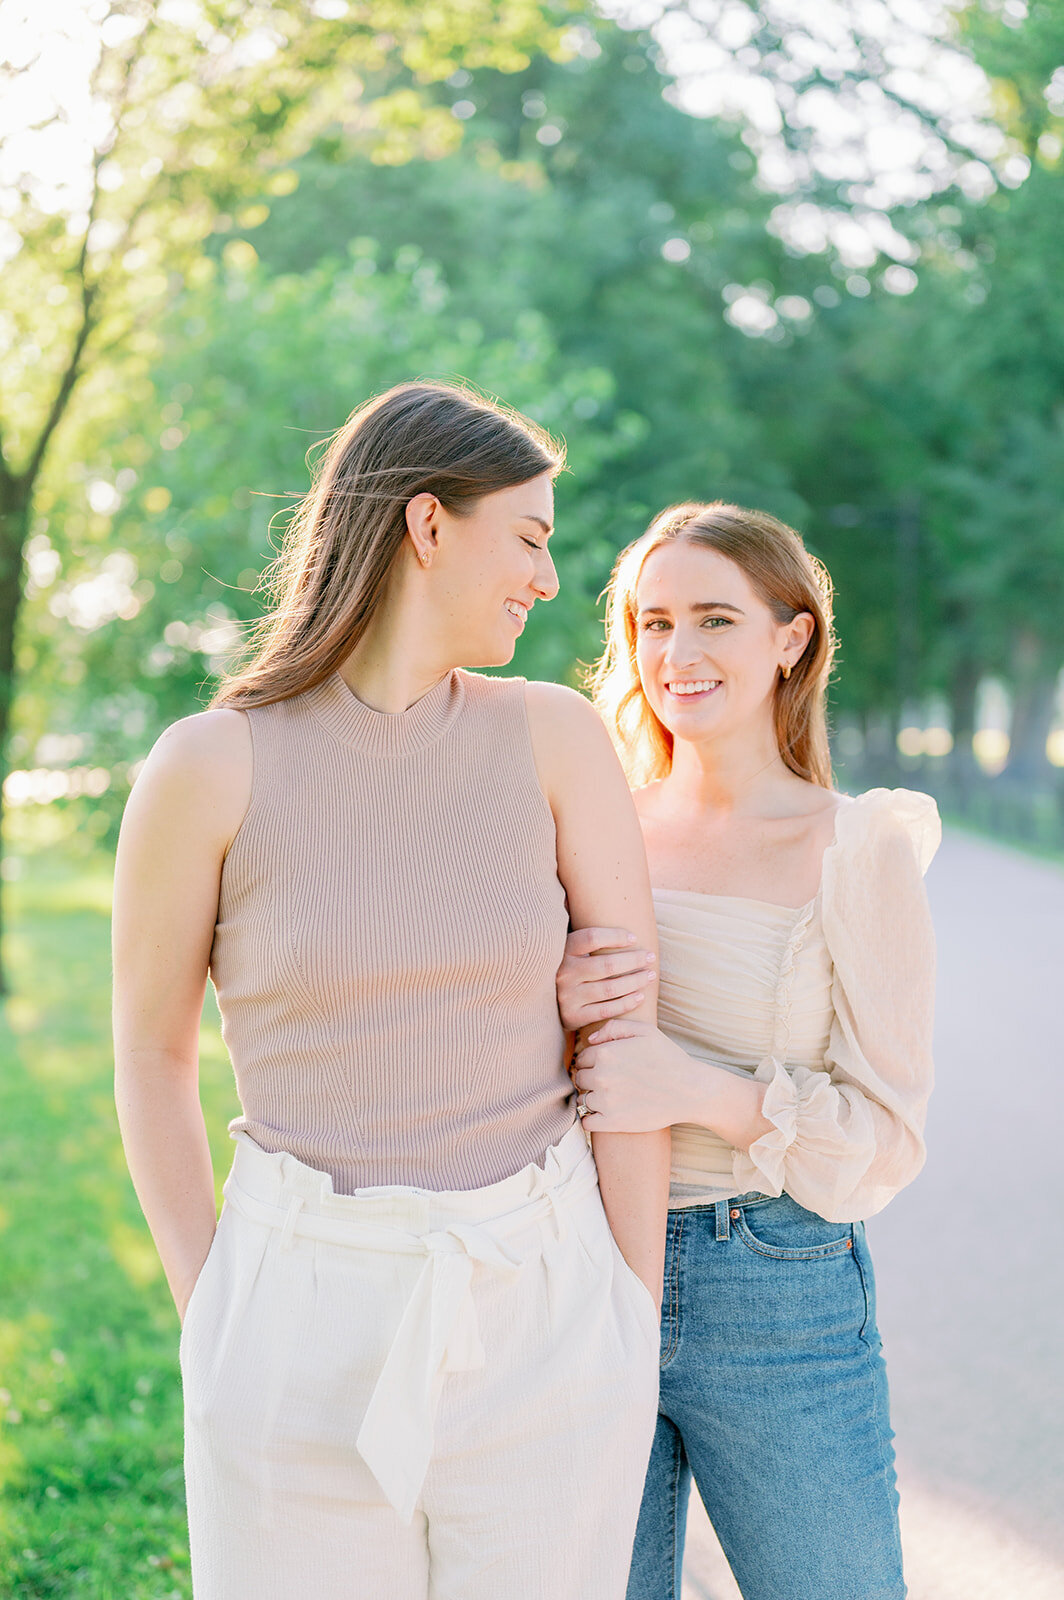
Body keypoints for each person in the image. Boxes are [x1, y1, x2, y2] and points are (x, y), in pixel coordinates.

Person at [111, 381, 668, 1600]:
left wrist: (629, 1311)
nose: (546, 578)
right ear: (427, 525)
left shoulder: (555, 736)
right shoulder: (209, 765)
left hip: (543, 1301)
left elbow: (627, 1033)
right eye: (527, 537)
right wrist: (212, 1310)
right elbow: (150, 1055)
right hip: (291, 1306)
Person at [557, 501, 939, 1600]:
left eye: (715, 618)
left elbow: (882, 1139)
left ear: (791, 637)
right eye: (653, 621)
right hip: (580, 1273)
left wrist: (697, 1091)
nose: (677, 653)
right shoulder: (588, 823)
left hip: (774, 1283)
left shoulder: (854, 846)